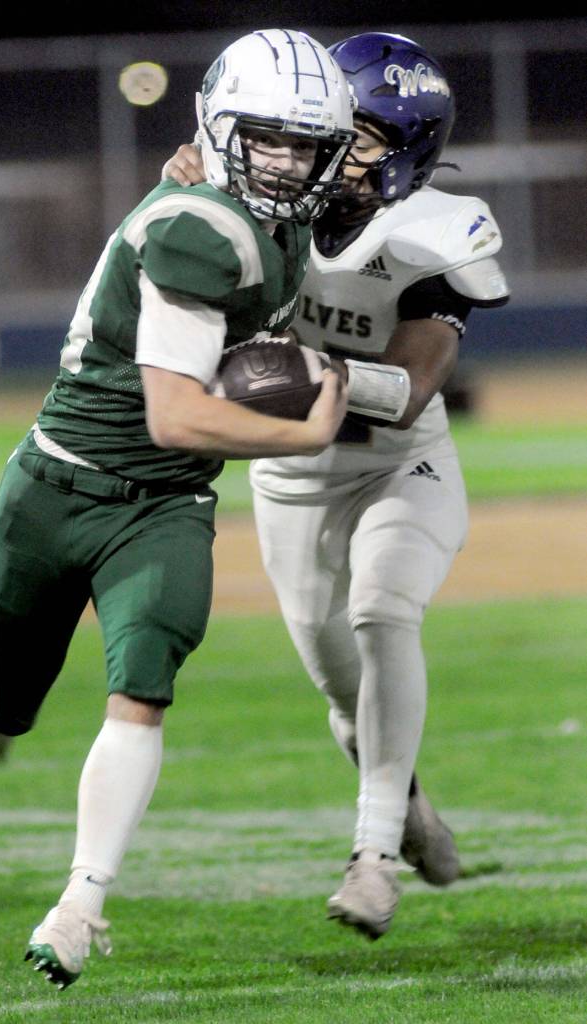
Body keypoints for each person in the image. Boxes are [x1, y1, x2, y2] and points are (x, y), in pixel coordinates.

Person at [0, 28, 354, 989]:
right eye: (264, 139)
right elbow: (177, 416)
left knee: (143, 688)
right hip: (57, 488)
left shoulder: (279, 220)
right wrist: (304, 430)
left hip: (165, 507)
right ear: (220, 129)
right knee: (2, 715)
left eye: (304, 145)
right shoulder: (193, 227)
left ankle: (79, 906)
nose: (284, 162)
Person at [164, 31, 510, 940]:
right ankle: (409, 807)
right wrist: (186, 201)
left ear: (406, 154)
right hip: (290, 481)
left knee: (383, 614)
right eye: (328, 130)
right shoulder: (255, 198)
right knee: (340, 692)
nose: (326, 152)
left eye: (357, 138)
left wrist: (306, 369)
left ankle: (373, 857)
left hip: (400, 465)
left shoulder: (436, 228)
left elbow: (414, 388)